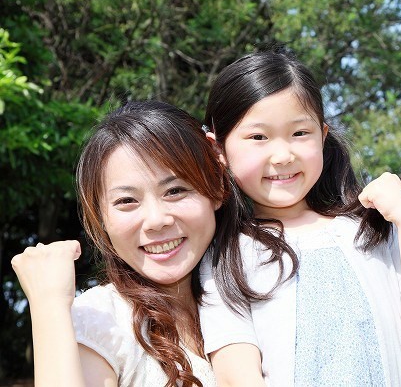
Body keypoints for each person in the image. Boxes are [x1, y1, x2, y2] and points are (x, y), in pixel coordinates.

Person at [199, 48, 401, 386]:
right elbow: (238, 376)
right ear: (218, 150)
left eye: (299, 133)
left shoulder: (372, 229)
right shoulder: (224, 258)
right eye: (258, 137)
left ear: (322, 135)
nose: (283, 155)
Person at [11, 100, 251, 386]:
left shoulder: (257, 286)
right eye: (127, 201)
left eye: (175, 191)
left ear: (217, 188)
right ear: (101, 217)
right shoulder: (100, 320)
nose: (155, 220)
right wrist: (48, 305)